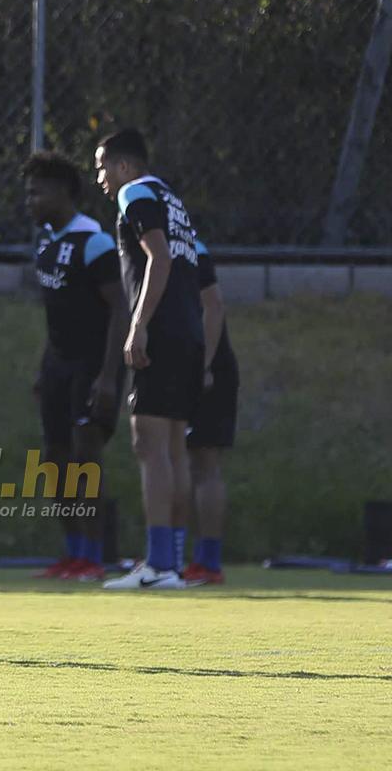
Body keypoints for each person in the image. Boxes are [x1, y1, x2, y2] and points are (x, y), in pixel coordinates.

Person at [95, 129, 204, 591]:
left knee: (149, 445)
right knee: (174, 449)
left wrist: (137, 324)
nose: (99, 177)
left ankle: (158, 566)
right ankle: (172, 563)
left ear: (123, 166)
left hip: (161, 329)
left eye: (102, 166)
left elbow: (157, 258)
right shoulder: (170, 197)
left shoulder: (135, 193)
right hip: (188, 328)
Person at [24, 151, 128, 583]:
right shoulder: (47, 243)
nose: (30, 200)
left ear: (64, 192)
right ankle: (71, 553)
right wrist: (43, 367)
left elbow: (120, 308)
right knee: (54, 460)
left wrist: (109, 375)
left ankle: (93, 556)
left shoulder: (94, 241)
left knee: (87, 458)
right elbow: (59, 315)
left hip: (92, 365)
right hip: (58, 366)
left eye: (38, 192)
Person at [181, 238, 238, 585]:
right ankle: (174, 557)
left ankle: (208, 561)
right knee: (178, 461)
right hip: (173, 368)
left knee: (204, 462)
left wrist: (202, 365)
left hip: (204, 371)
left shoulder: (189, 248)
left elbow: (213, 306)